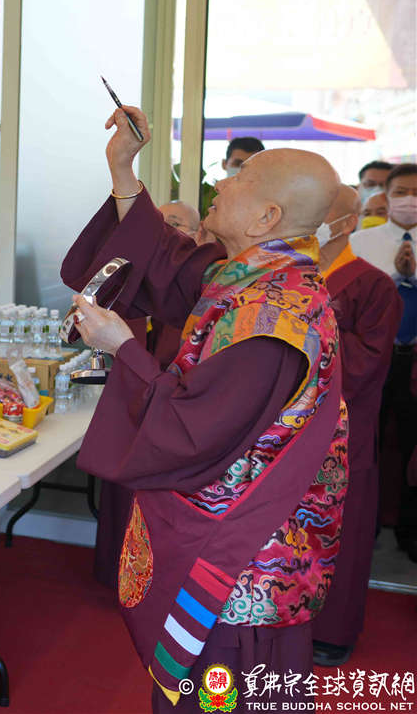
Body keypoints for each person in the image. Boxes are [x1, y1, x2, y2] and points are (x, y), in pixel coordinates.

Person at [63, 105, 345, 713]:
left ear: (268, 217)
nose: (221, 181)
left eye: (240, 177)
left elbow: (191, 431)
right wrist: (123, 172)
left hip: (240, 566)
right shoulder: (253, 276)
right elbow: (169, 263)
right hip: (239, 543)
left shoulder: (272, 317)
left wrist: (124, 348)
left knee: (224, 699)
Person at [92, 198, 209, 591]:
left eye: (174, 224)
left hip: (168, 414)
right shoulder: (134, 279)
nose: (166, 233)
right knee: (121, 500)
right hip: (131, 404)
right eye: (161, 224)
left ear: (195, 237)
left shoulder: (203, 293)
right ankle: (114, 573)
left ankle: (149, 586)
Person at [309, 186, 401, 666]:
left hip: (341, 430)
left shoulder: (373, 285)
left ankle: (332, 631)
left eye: (319, 212)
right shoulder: (289, 275)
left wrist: (309, 331)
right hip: (279, 428)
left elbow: (366, 364)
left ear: (345, 223)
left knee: (339, 530)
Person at [351, 163, 417, 561]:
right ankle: (365, 525)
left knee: (413, 449)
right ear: (387, 197)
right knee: (367, 443)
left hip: (416, 361)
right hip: (374, 357)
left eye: (416, 193)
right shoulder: (361, 242)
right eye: (402, 192)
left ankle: (410, 531)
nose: (410, 200)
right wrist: (394, 277)